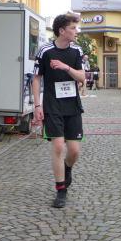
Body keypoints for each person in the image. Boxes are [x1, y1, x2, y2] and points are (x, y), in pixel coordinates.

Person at [32, 12, 86, 209]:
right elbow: (36, 79)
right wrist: (37, 106)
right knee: (57, 147)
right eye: (73, 28)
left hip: (72, 106)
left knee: (74, 151)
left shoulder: (77, 51)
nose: (76, 31)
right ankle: (61, 190)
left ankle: (67, 168)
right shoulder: (45, 51)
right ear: (62, 31)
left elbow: (82, 78)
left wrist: (65, 67)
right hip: (52, 105)